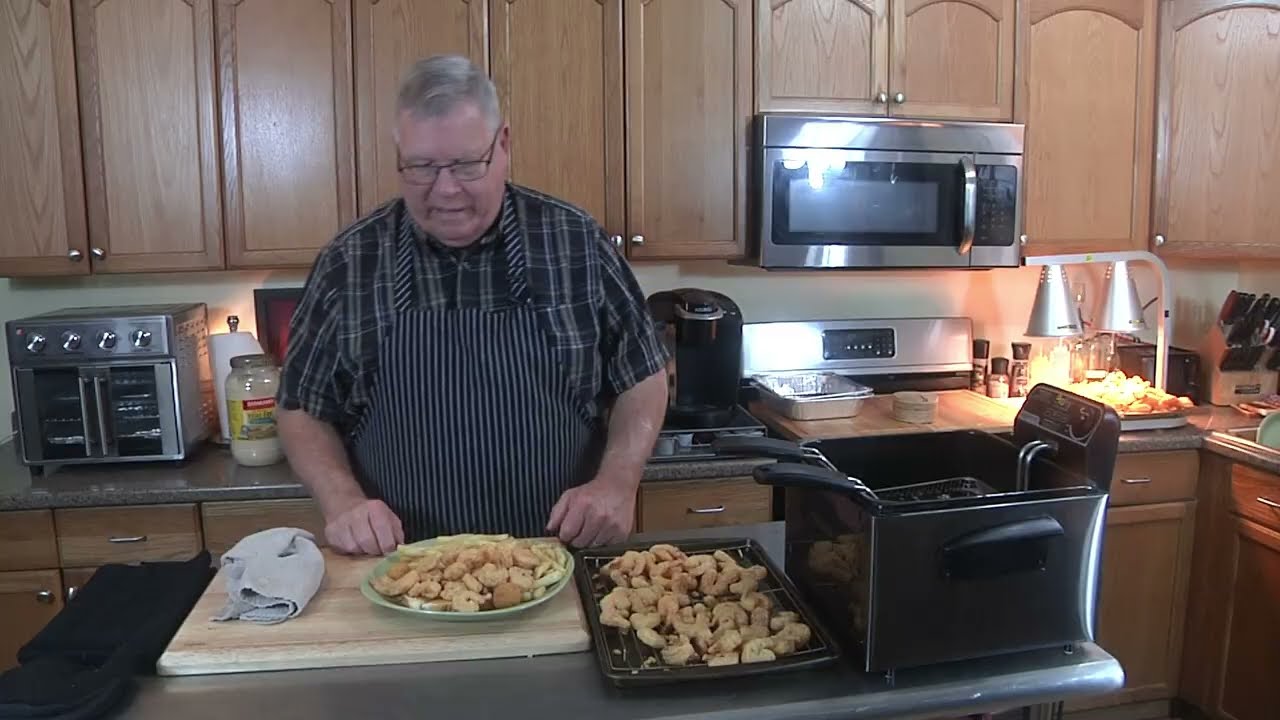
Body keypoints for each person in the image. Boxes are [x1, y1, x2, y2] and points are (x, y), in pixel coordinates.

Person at [276, 55, 668, 556]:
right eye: (421, 167)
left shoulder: (573, 241)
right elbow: (301, 409)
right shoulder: (350, 261)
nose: (446, 190)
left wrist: (617, 482)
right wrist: (342, 502)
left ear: (502, 145)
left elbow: (643, 375)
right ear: (399, 156)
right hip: (402, 575)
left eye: (466, 164)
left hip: (560, 562)